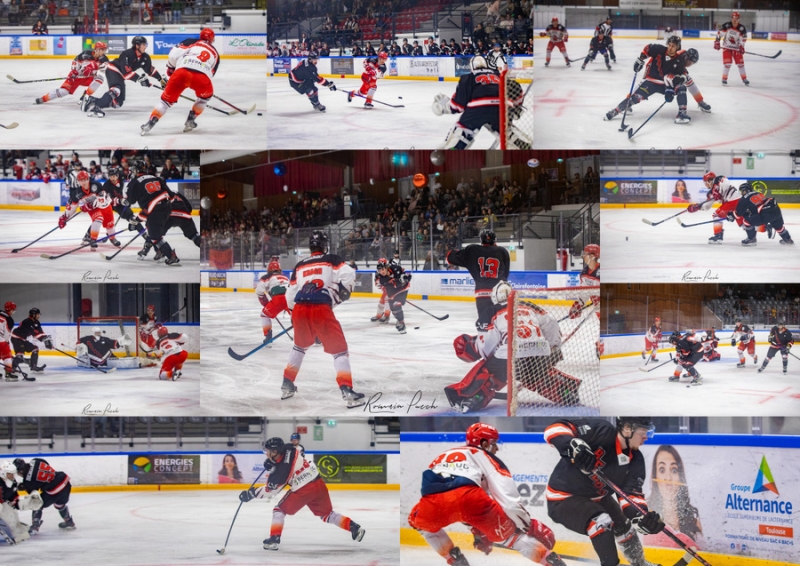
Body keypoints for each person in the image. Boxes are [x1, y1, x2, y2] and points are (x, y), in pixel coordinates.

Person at [409, 423, 567, 566]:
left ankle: (455, 559)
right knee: (513, 538)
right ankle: (551, 561)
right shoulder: (484, 455)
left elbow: (446, 498)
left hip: (432, 503)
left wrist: (478, 532)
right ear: (484, 443)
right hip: (470, 498)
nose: (496, 448)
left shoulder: (444, 455)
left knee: (418, 523)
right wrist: (528, 525)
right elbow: (508, 501)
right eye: (494, 443)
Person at [544, 417, 664, 566]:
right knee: (601, 521)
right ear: (627, 428)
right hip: (563, 498)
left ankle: (640, 563)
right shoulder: (601, 430)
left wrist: (643, 517)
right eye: (643, 432)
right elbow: (555, 428)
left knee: (625, 528)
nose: (646, 437)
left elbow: (631, 496)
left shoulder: (636, 460)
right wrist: (574, 445)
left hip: (598, 498)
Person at [445, 280, 578, 412]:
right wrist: (554, 346)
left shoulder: (490, 311)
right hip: (541, 350)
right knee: (536, 374)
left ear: (495, 297)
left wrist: (487, 358)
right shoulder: (529, 305)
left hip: (511, 353)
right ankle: (566, 391)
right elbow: (552, 323)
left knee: (488, 371)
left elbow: (488, 344)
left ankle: (472, 398)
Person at [282, 231, 363, 408]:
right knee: (339, 350)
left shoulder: (299, 265)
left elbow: (290, 295)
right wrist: (343, 293)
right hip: (320, 309)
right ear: (325, 245)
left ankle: (286, 384)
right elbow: (349, 273)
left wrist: (293, 314)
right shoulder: (332, 259)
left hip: (300, 310)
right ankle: (347, 390)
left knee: (299, 346)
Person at [238, 437, 365, 551]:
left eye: (268, 451)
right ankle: (354, 528)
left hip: (303, 489)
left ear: (275, 452)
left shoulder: (280, 472)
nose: (266, 453)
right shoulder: (289, 448)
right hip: (318, 482)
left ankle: (274, 539)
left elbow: (270, 491)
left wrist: (251, 493)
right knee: (327, 514)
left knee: (279, 510)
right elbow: (284, 460)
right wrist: (274, 464)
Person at [141, 28, 219, 135]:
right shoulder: (215, 53)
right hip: (202, 77)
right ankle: (191, 120)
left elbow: (174, 54)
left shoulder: (191, 42)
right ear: (212, 39)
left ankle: (150, 123)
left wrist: (171, 70)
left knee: (164, 102)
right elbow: (211, 73)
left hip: (181, 72)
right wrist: (203, 90)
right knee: (204, 99)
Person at [432, 56, 516, 150]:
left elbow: (458, 106)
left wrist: (443, 108)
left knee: (462, 130)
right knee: (507, 133)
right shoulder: (499, 75)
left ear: (471, 67)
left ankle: (454, 151)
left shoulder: (468, 77)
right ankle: (520, 145)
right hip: (505, 107)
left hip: (479, 109)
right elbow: (516, 90)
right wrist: (516, 108)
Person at [604, 36, 689, 125]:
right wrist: (640, 59)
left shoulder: (679, 60)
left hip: (666, 85)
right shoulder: (659, 49)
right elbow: (648, 49)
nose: (670, 48)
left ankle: (682, 114)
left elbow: (682, 74)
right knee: (635, 97)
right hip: (651, 82)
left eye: (673, 46)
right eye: (669, 45)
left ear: (678, 47)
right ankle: (615, 111)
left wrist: (673, 87)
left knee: (681, 88)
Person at [84, 36, 167, 118]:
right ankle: (97, 107)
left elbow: (150, 70)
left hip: (121, 75)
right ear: (137, 45)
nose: (146, 46)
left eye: (146, 44)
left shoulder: (145, 57)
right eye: (143, 44)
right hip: (113, 69)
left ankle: (92, 100)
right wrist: (140, 79)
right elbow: (126, 73)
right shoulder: (127, 54)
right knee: (116, 89)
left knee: (117, 103)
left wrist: (160, 79)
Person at [445, 227, 510, 332]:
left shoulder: (472, 250)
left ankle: (485, 344)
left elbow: (449, 257)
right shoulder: (502, 251)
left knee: (484, 325)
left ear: (481, 240)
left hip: (482, 293)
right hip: (499, 293)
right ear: (495, 240)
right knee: (501, 323)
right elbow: (506, 274)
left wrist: (452, 249)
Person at [120, 160, 181, 265]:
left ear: (137, 170)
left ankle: (171, 256)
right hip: (167, 208)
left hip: (154, 210)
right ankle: (159, 251)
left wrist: (124, 201)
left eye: (134, 169)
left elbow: (131, 201)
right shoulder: (155, 177)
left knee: (155, 236)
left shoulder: (134, 182)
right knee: (151, 228)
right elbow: (171, 195)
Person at [645, 446, 703, 549]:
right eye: (662, 470)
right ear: (655, 475)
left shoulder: (694, 524)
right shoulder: (643, 515)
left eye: (674, 470)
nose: (668, 478)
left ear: (681, 477)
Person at [61, 169, 121, 249]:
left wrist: (88, 206)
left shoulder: (96, 185)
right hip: (93, 209)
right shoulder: (77, 193)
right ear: (78, 181)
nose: (84, 182)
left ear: (88, 179)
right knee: (98, 219)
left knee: (109, 224)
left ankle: (112, 238)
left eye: (85, 179)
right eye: (81, 180)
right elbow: (72, 207)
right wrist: (65, 217)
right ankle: (93, 240)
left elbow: (101, 200)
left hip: (105, 205)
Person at [36, 41, 108, 106]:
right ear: (97, 49)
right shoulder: (85, 55)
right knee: (63, 92)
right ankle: (43, 98)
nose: (104, 51)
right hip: (76, 76)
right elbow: (75, 61)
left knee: (100, 78)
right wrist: (74, 71)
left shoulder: (104, 59)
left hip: (88, 78)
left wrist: (95, 67)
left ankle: (85, 96)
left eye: (104, 49)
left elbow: (104, 69)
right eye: (102, 49)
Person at [13, 458, 75, 533]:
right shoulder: (35, 461)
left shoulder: (28, 480)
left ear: (21, 471)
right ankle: (69, 521)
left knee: (36, 504)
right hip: (65, 480)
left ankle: (35, 526)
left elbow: (33, 491)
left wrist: (22, 486)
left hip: (55, 489)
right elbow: (46, 465)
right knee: (59, 504)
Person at [687, 172, 743, 245]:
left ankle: (718, 236)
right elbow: (707, 206)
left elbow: (726, 183)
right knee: (740, 219)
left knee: (717, 215)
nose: (705, 184)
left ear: (709, 180)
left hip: (734, 199)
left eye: (705, 182)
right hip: (732, 202)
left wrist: (719, 191)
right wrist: (697, 207)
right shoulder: (711, 193)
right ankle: (751, 235)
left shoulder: (718, 180)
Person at [0, 461, 43, 544]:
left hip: (3, 505)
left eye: (13, 474)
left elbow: (13, 500)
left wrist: (27, 504)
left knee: (16, 526)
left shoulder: (13, 483)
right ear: (3, 473)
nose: (12, 476)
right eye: (10, 474)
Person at [255, 258, 290, 343]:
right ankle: (314, 335)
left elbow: (259, 291)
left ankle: (268, 336)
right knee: (299, 317)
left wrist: (265, 302)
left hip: (279, 300)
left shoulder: (266, 277)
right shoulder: (285, 277)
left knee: (264, 314)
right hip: (291, 298)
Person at [10, 308, 52, 374]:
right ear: (33, 315)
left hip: (23, 339)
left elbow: (41, 332)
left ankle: (33, 366)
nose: (39, 316)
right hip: (16, 338)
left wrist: (47, 340)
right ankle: (11, 368)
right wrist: (43, 340)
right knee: (20, 356)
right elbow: (34, 333)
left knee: (35, 349)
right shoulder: (27, 322)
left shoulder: (36, 322)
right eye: (38, 314)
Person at [715, 11, 749, 86]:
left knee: (740, 64)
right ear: (731, 18)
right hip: (727, 48)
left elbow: (743, 38)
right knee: (727, 64)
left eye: (736, 18)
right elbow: (719, 33)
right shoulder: (727, 25)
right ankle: (724, 79)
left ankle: (744, 78)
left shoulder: (741, 28)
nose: (734, 20)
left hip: (736, 49)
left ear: (739, 19)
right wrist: (717, 41)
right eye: (733, 18)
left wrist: (741, 46)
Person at [381, 262, 412, 334]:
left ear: (387, 268)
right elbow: (392, 284)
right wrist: (400, 281)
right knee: (393, 310)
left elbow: (404, 274)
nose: (382, 272)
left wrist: (406, 278)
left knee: (396, 304)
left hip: (403, 289)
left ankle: (402, 323)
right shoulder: (382, 279)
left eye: (383, 269)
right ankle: (399, 320)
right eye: (380, 270)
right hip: (392, 292)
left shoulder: (396, 268)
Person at [370, 258, 392, 324]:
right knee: (381, 303)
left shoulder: (389, 270)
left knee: (387, 301)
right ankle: (379, 315)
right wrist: (379, 284)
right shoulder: (378, 272)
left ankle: (386, 316)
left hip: (391, 291)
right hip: (385, 291)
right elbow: (377, 283)